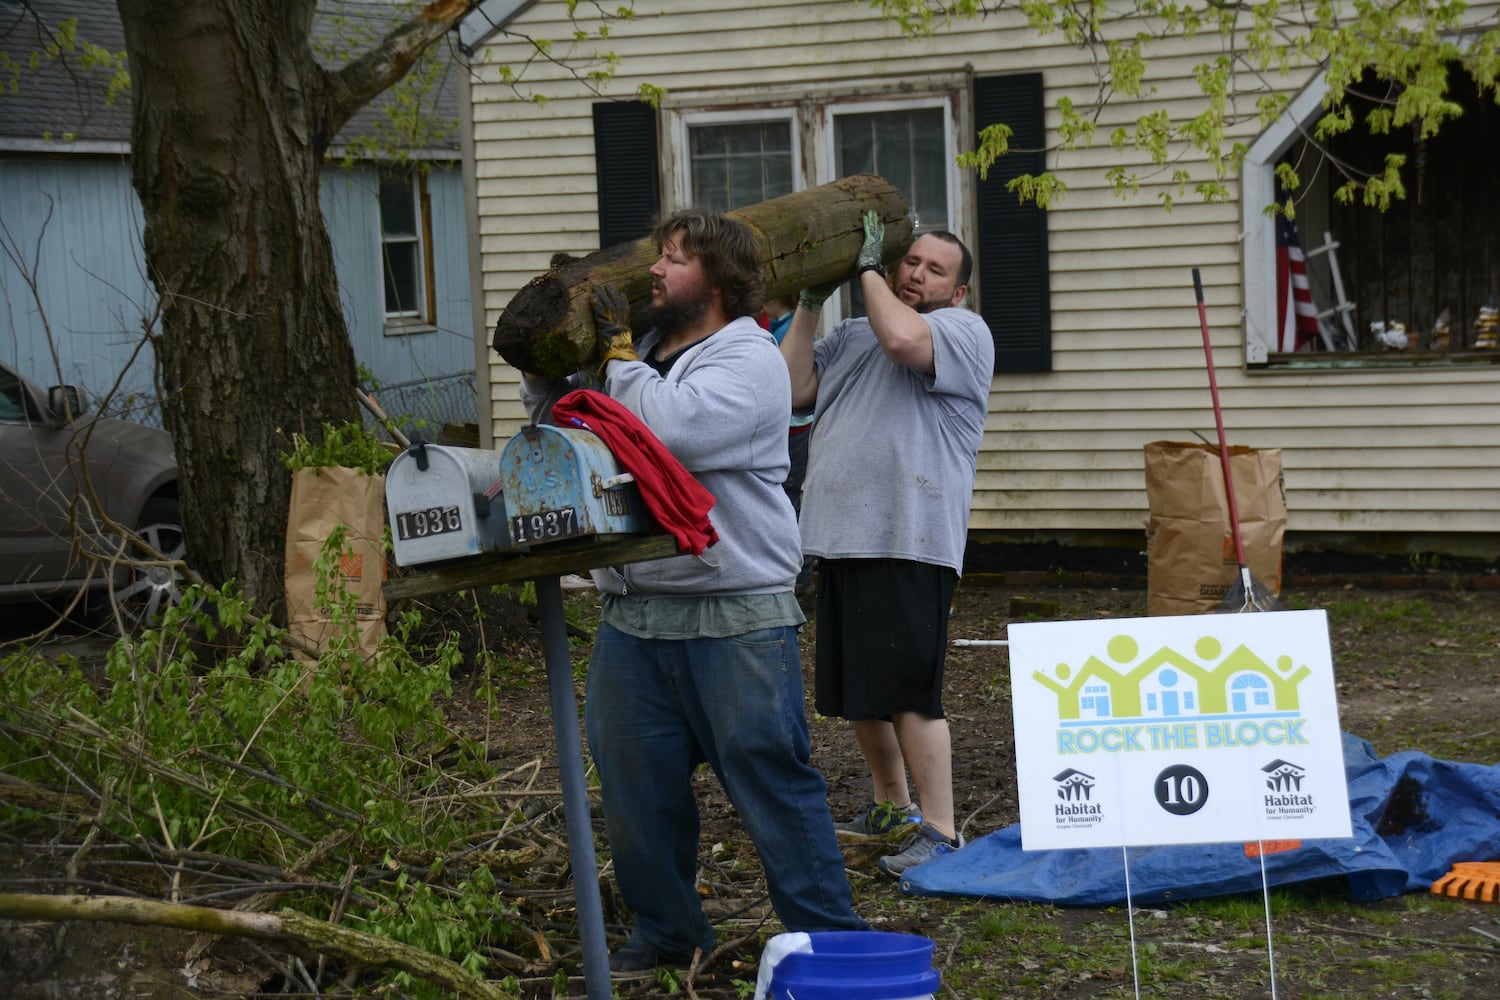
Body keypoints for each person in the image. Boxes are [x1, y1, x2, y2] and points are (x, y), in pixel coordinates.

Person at [519, 209, 866, 974]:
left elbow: (666, 430)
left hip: (734, 612)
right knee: (636, 792)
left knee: (770, 779)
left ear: (719, 281)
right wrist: (546, 369)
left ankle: (833, 944)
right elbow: (573, 435)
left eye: (675, 260)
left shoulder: (747, 358)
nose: (654, 272)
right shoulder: (638, 353)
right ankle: (669, 933)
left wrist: (612, 356)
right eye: (657, 257)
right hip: (634, 614)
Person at [779, 211, 994, 876]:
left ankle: (941, 828)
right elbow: (790, 392)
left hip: (911, 538)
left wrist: (865, 270)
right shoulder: (850, 336)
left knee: (907, 691)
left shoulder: (961, 332)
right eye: (912, 262)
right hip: (841, 536)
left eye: (936, 270)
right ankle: (892, 807)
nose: (917, 275)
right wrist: (810, 305)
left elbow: (903, 341)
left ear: (956, 293)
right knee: (857, 693)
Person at [763, 294, 816, 594]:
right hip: (785, 429)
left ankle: (801, 577)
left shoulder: (788, 330)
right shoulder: (774, 326)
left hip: (793, 430)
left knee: (790, 500)